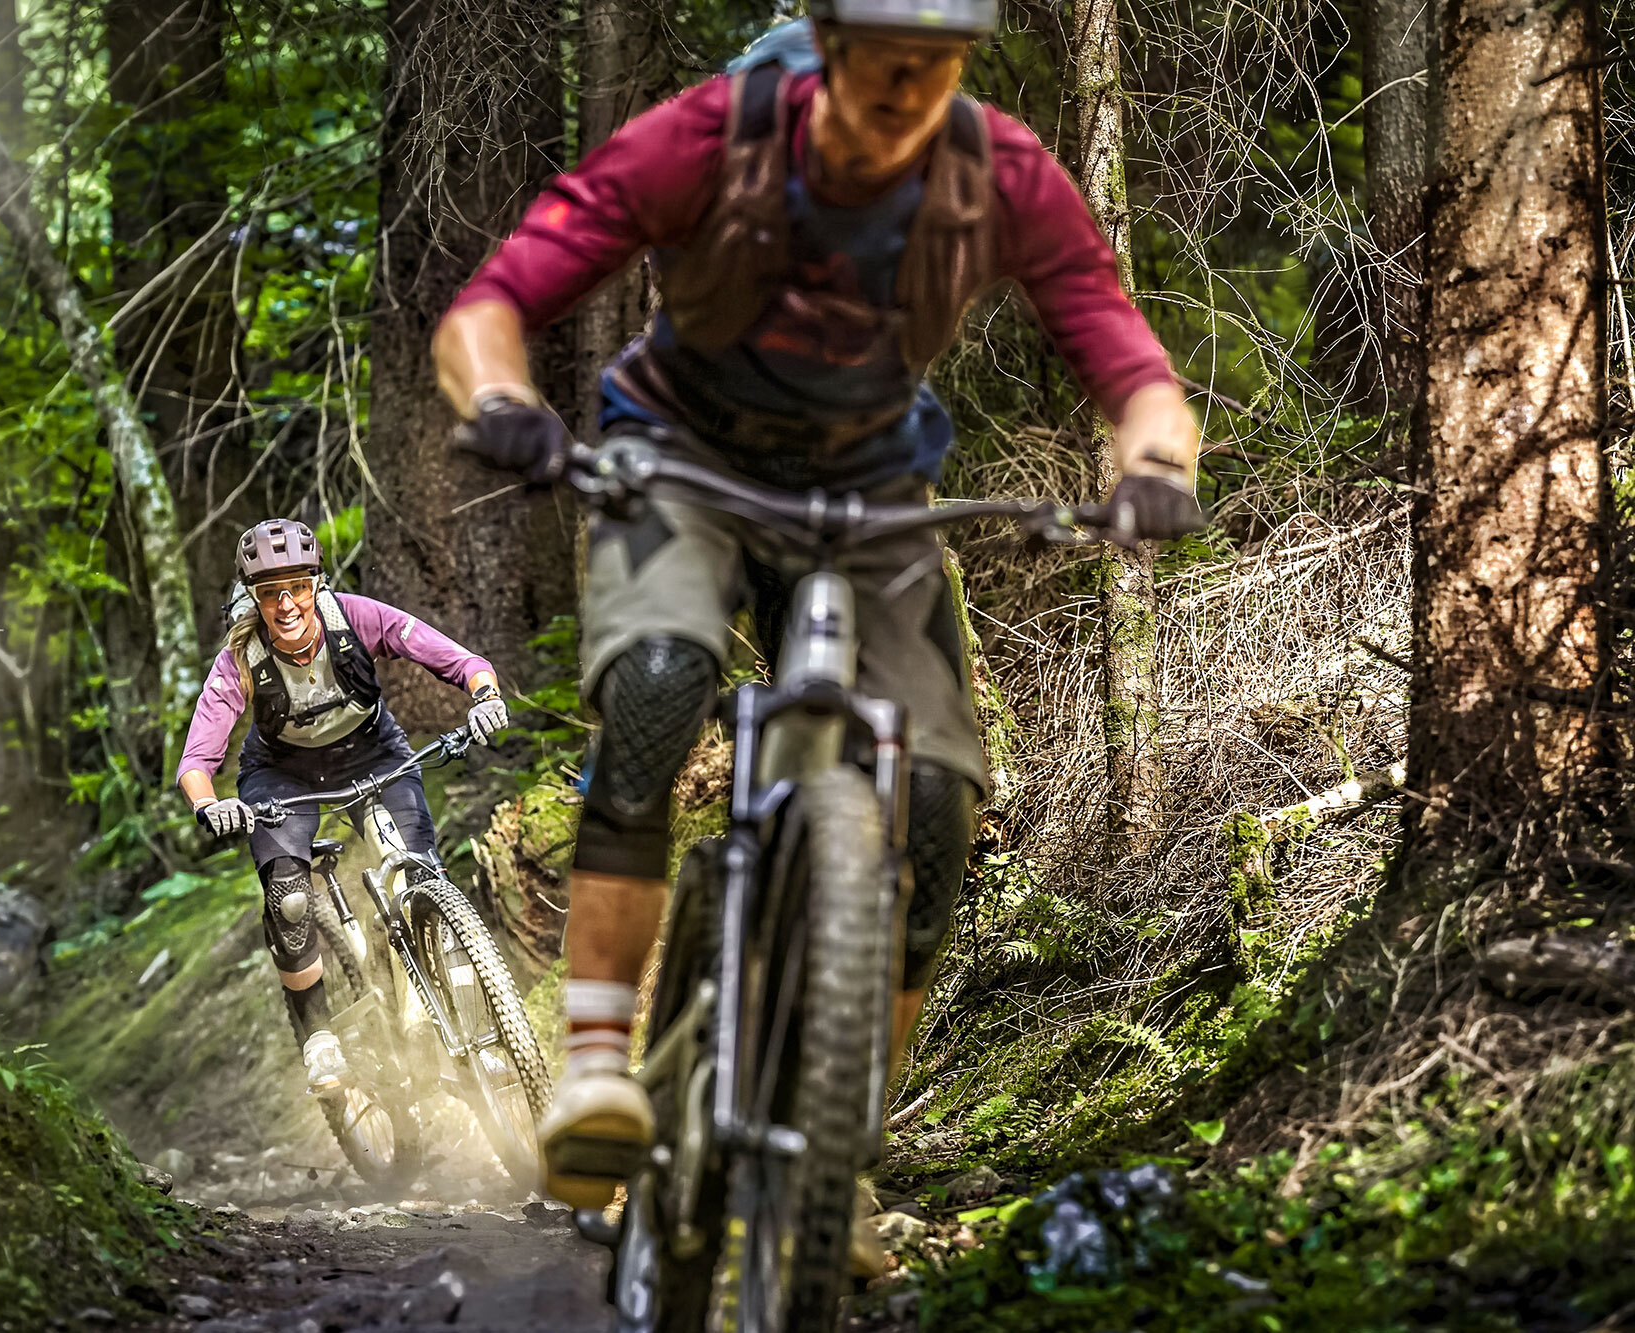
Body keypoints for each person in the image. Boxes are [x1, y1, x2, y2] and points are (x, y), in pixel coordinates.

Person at [435, 0, 1205, 1214]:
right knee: (655, 687)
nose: (904, 90)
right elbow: (491, 307)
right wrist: (500, 403)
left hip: (870, 490)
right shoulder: (708, 137)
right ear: (829, 51)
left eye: (933, 66)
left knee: (935, 804)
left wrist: (1152, 466)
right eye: (881, 62)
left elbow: (1128, 362)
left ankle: (835, 1161)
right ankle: (593, 1068)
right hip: (679, 461)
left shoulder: (1000, 173)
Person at [175, 519, 510, 1096]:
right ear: (253, 598)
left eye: (297, 588)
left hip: (373, 753)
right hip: (282, 773)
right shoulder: (240, 659)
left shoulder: (354, 617)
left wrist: (484, 696)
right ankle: (320, 1040)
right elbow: (196, 760)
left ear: (316, 584)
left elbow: (457, 659)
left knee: (422, 875)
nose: (286, 605)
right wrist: (209, 804)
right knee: (289, 898)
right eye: (270, 593)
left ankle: (483, 1038)